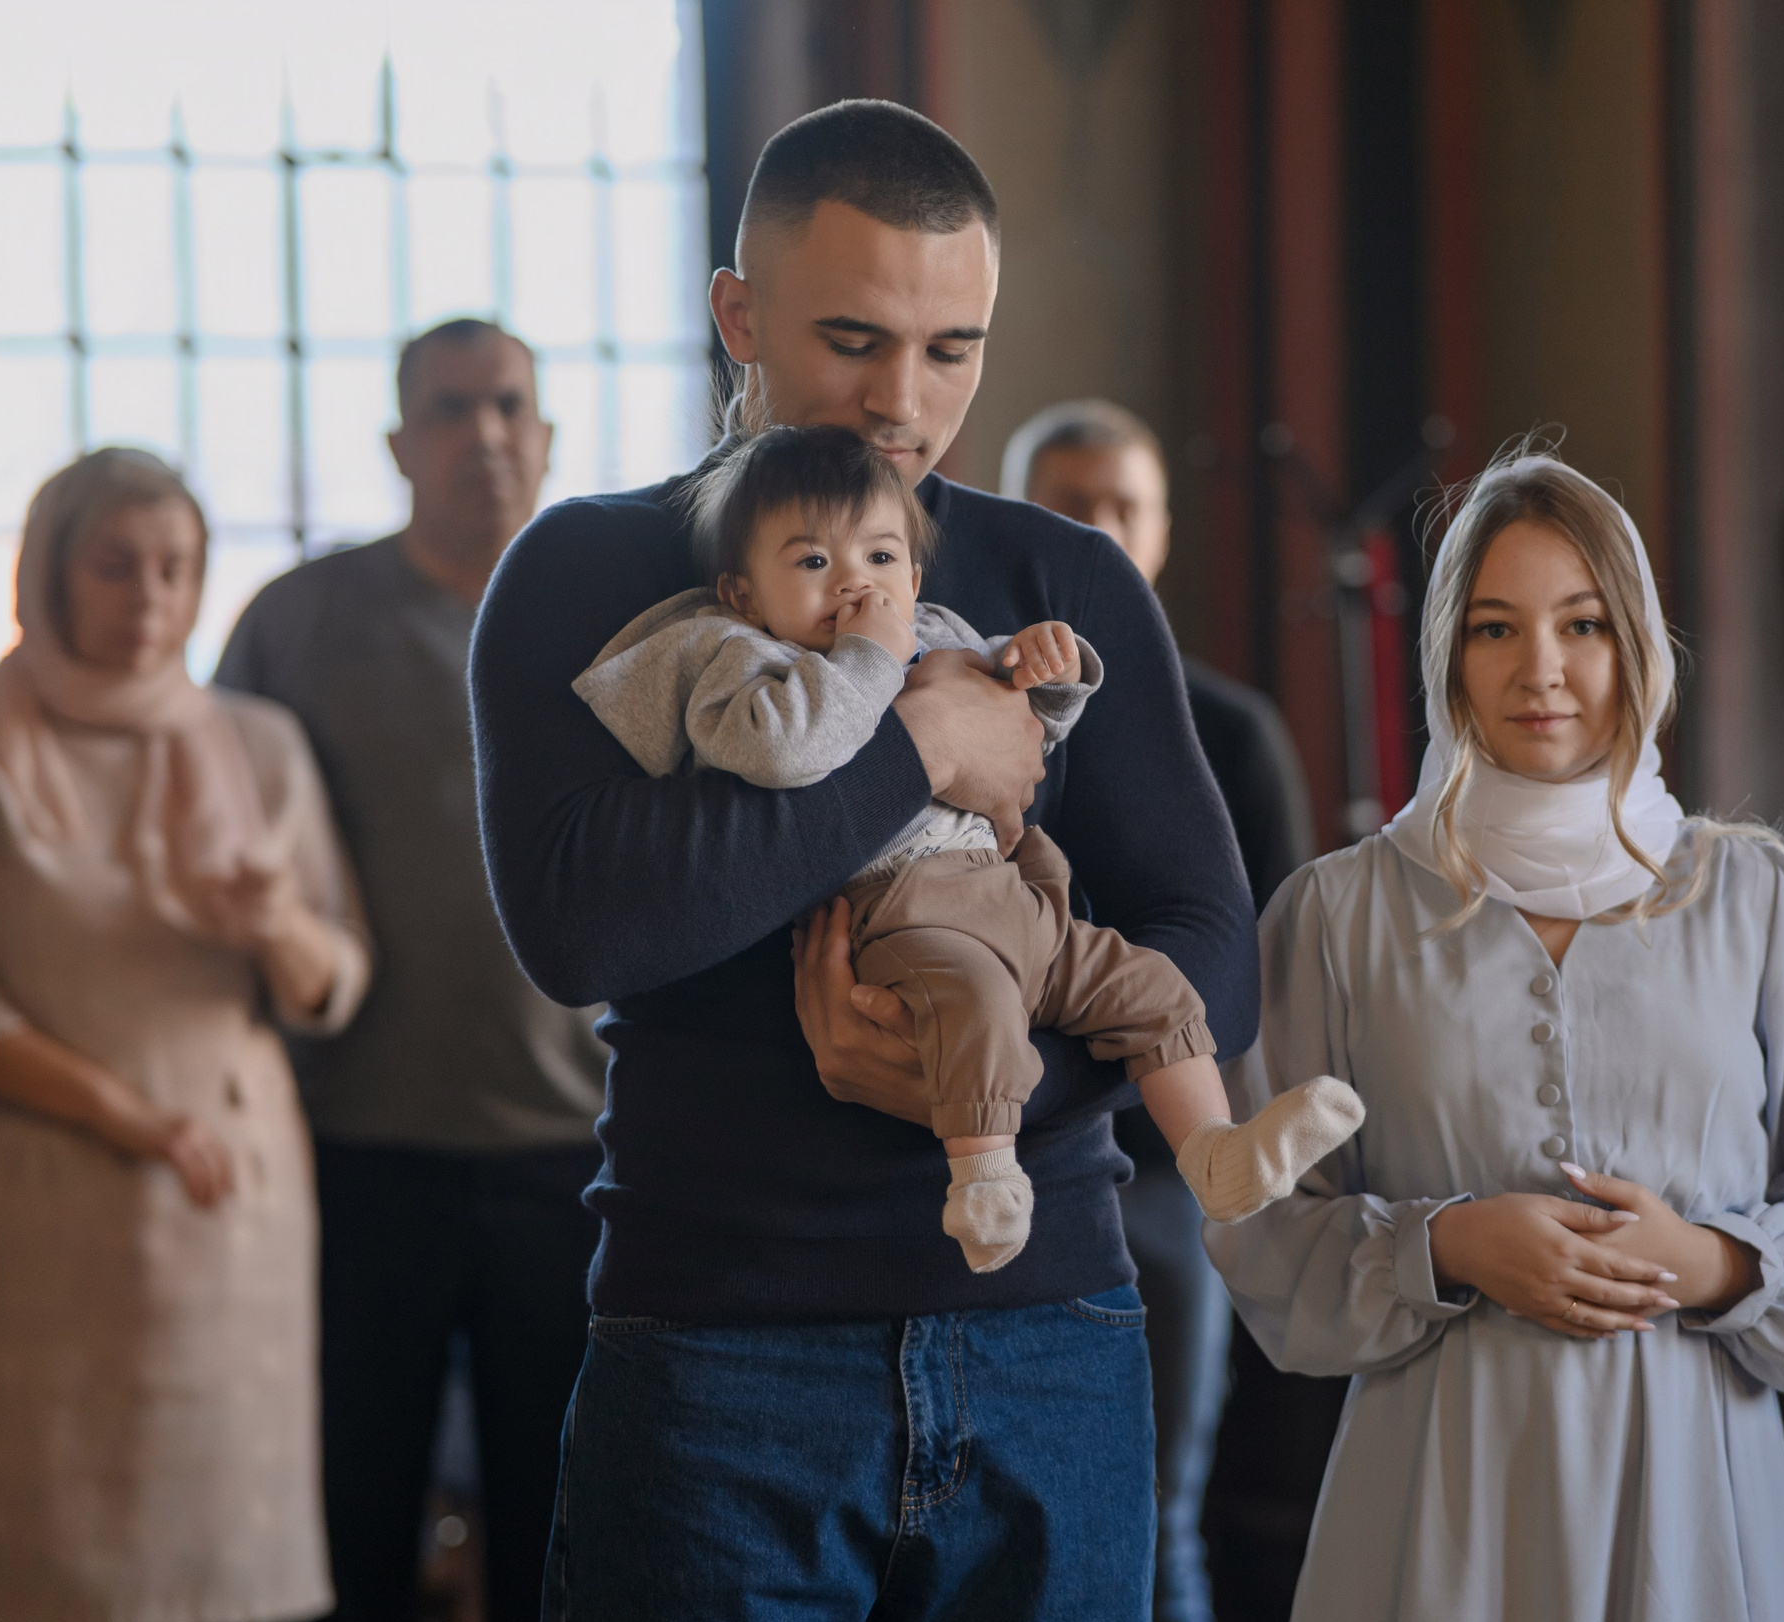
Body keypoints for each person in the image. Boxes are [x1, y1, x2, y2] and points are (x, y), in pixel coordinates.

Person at [470, 101, 1258, 1622]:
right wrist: (913, 749)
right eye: (854, 339)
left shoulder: (1064, 581)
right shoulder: (585, 571)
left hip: (1050, 1333)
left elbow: (1211, 950)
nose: (907, 404)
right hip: (716, 1346)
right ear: (738, 317)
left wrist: (1003, 1068)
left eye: (954, 349)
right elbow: (583, 929)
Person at [1206, 447, 1784, 1622]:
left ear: (1634, 643)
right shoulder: (1336, 915)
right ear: (1447, 655)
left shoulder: (1749, 898)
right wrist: (1450, 1244)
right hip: (1438, 1500)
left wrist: (1712, 1263)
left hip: (1695, 1499)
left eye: (1581, 623)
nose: (1541, 669)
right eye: (1496, 627)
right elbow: (1262, 1228)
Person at [571, 424, 1358, 1271]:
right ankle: (984, 1180)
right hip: (905, 912)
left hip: (1011, 895)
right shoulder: (741, 660)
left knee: (1151, 985)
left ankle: (1216, 1153)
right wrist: (874, 664)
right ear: (743, 592)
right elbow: (783, 751)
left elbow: (1024, 745)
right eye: (811, 564)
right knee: (976, 1003)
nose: (853, 586)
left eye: (879, 559)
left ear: (912, 574)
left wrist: (1045, 676)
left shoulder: (937, 629)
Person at [0, 449, 370, 1622]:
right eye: (117, 564)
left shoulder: (257, 743)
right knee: (22, 1592)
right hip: (19, 1203)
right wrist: (129, 1116)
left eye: (177, 567)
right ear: (51, 570)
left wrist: (272, 923)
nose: (151, 593)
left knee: (199, 1591)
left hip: (216, 1219)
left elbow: (334, 979)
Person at [214, 319, 606, 1622]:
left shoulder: (614, 618)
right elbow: (219, 853)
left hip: (578, 1155)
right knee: (344, 1529)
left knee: (560, 1541)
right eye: (449, 408)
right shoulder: (298, 622)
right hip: (352, 1150)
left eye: (510, 404)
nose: (484, 432)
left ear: (546, 434)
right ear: (398, 443)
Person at [1004, 397, 1315, 1622]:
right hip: (991, 1166)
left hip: (1166, 1177)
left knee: (1159, 1526)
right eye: (1063, 504)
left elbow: (1261, 964)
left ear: (1162, 532)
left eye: (1120, 506)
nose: (1094, 531)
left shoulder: (1228, 731)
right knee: (1000, 1541)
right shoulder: (957, 703)